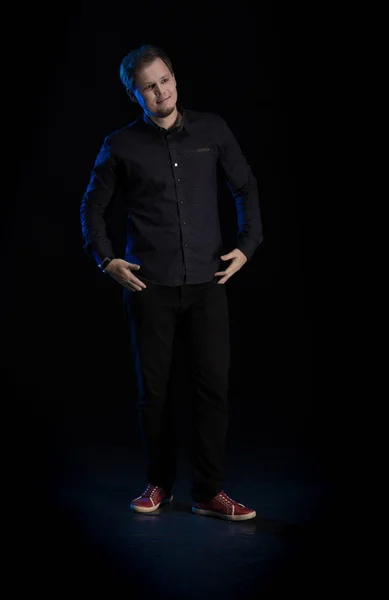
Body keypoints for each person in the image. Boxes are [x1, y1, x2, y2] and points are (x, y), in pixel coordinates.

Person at [80, 44, 263, 521]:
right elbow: (91, 208)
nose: (161, 91)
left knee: (212, 389)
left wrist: (247, 245)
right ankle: (158, 483)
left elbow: (245, 187)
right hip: (150, 287)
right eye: (149, 86)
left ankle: (210, 492)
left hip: (208, 282)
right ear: (135, 95)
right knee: (154, 392)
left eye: (165, 80)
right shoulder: (120, 144)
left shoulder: (213, 129)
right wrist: (107, 261)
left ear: (174, 79)